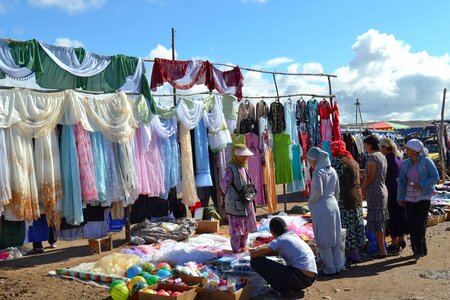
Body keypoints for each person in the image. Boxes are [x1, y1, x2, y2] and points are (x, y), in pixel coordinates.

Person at [250, 217, 317, 298]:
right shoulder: (292, 235)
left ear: (272, 232)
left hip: (300, 277)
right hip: (309, 279)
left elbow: (253, 254)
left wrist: (259, 251)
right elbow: (277, 251)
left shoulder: (280, 240)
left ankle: (284, 290)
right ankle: (291, 288)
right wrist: (265, 253)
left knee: (255, 262)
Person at [397, 139, 439, 260]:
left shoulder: (426, 161)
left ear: (414, 150)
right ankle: (420, 248)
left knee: (420, 223)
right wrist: (400, 197)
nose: (406, 150)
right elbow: (402, 181)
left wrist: (421, 184)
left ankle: (418, 250)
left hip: (424, 196)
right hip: (409, 197)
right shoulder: (405, 163)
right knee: (411, 223)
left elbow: (435, 177)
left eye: (408, 148)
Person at [307, 147, 343, 275]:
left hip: (322, 206)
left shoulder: (318, 172)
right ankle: (337, 265)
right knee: (334, 236)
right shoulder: (332, 170)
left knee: (324, 237)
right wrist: (334, 201)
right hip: (333, 204)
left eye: (310, 160)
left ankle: (329, 268)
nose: (309, 162)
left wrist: (310, 201)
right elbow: (337, 190)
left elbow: (318, 192)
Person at [330, 140, 365, 263]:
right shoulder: (352, 160)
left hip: (345, 197)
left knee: (347, 225)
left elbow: (332, 181)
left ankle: (351, 253)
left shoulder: (337, 163)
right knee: (356, 222)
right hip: (357, 195)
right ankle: (356, 251)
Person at [220, 144, 257, 253]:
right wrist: (231, 195)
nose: (245, 158)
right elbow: (223, 184)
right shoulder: (230, 169)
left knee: (245, 226)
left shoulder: (243, 167)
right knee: (236, 228)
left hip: (245, 201)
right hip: (235, 203)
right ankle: (236, 248)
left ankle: (243, 245)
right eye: (243, 156)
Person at [361, 135, 389, 258]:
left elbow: (370, 177)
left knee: (378, 222)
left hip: (375, 192)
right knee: (380, 221)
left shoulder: (373, 157)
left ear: (370, 145)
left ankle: (382, 250)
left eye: (365, 145)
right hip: (381, 190)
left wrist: (362, 188)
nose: (365, 148)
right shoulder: (382, 156)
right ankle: (382, 248)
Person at [380, 138, 407, 254]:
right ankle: (401, 239)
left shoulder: (387, 159)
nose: (380, 150)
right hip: (399, 188)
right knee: (399, 215)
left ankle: (395, 242)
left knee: (392, 216)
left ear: (386, 148)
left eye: (381, 147)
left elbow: (383, 175)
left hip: (391, 188)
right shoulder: (398, 157)